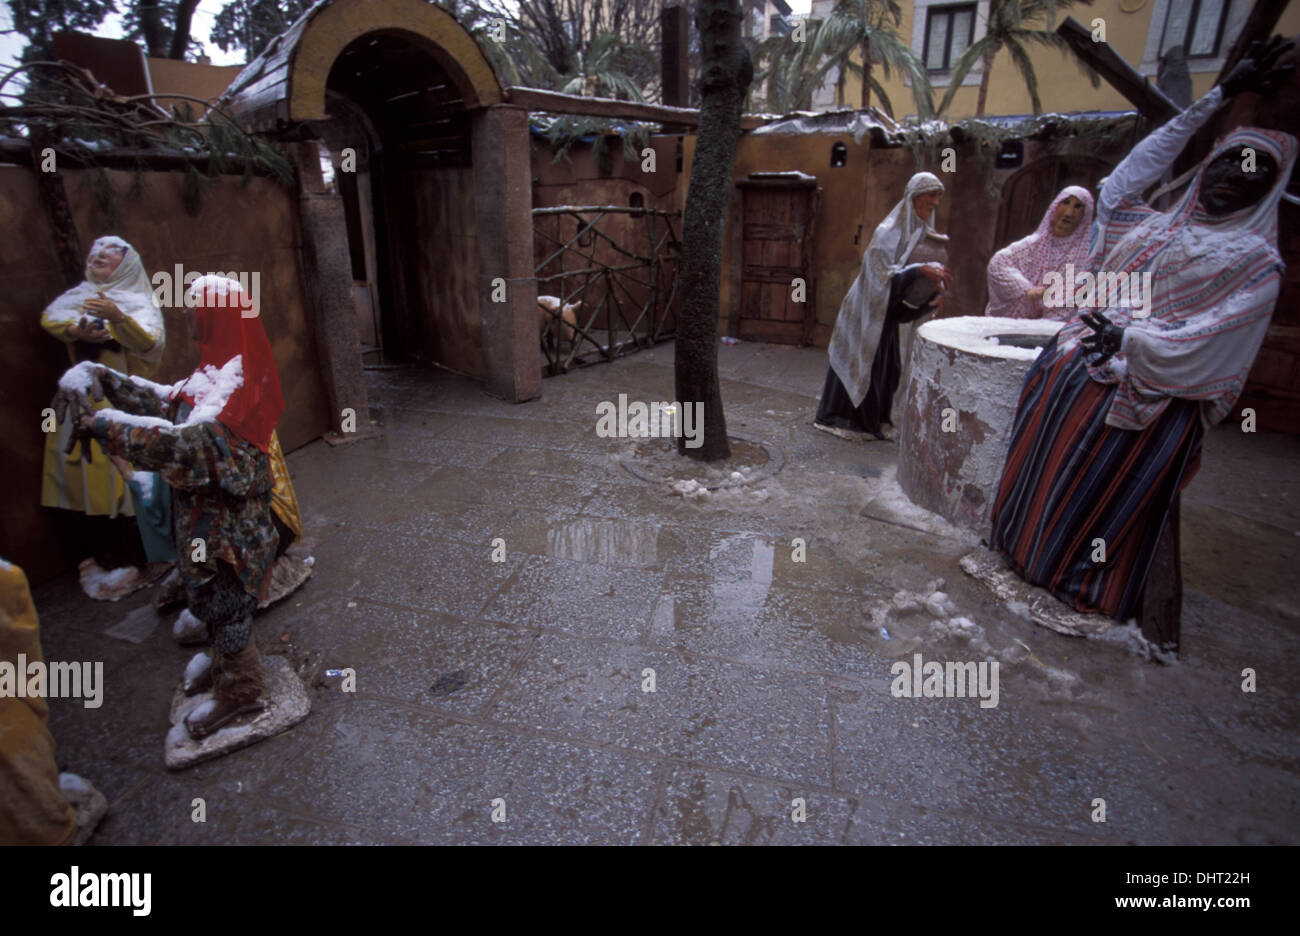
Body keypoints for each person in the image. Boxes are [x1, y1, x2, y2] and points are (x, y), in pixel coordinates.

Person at [989, 38, 1296, 637]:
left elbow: (1211, 340)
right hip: (1074, 374)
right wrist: (1218, 100)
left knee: (1095, 502)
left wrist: (1131, 344)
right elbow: (1127, 179)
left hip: (1147, 400)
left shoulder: (1255, 262)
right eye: (1229, 161)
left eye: (1254, 171)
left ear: (1271, 188)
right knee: (1041, 485)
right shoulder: (1150, 226)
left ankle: (1076, 585)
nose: (1235, 176)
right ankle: (1021, 553)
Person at [54, 275, 285, 739]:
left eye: (197, 311)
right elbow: (168, 401)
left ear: (217, 318)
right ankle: (225, 664)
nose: (189, 317)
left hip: (229, 536)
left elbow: (184, 446)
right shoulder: (217, 369)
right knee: (214, 604)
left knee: (227, 608)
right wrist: (104, 379)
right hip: (206, 527)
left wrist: (105, 426)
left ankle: (242, 692)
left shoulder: (239, 393)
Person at [40, 237, 166, 581]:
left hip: (119, 401)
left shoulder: (140, 300)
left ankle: (141, 553)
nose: (98, 258)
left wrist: (118, 318)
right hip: (79, 402)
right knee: (83, 477)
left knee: (127, 477)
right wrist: (75, 329)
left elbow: (150, 342)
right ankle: (102, 556)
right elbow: (51, 317)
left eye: (108, 256)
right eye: (95, 254)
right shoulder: (81, 295)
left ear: (125, 265)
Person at [816, 171, 952, 440]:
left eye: (938, 196)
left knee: (887, 371)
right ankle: (842, 419)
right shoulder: (888, 233)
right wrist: (918, 271)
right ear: (914, 198)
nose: (935, 202)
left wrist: (930, 297)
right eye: (930, 196)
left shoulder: (922, 236)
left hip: (886, 318)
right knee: (862, 364)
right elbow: (879, 277)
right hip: (865, 313)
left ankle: (875, 421)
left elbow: (908, 286)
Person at [984, 186, 1095, 320]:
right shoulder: (1032, 245)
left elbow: (1064, 306)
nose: (1069, 213)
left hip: (1043, 331)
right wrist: (1025, 289)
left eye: (1078, 207)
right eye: (1065, 203)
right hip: (1005, 323)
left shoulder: (1081, 260)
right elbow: (998, 263)